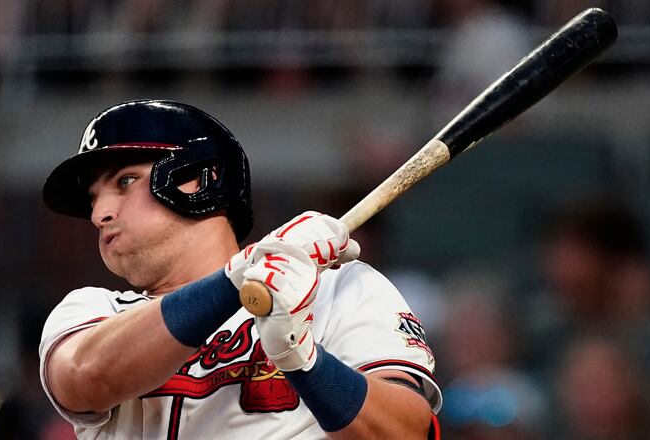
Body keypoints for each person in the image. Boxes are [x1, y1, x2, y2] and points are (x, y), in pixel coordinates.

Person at [38, 99, 442, 439]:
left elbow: (409, 430)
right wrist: (239, 277)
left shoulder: (341, 289)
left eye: (125, 182)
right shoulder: (94, 311)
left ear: (198, 179)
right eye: (94, 200)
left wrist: (305, 362)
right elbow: (85, 378)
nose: (99, 214)